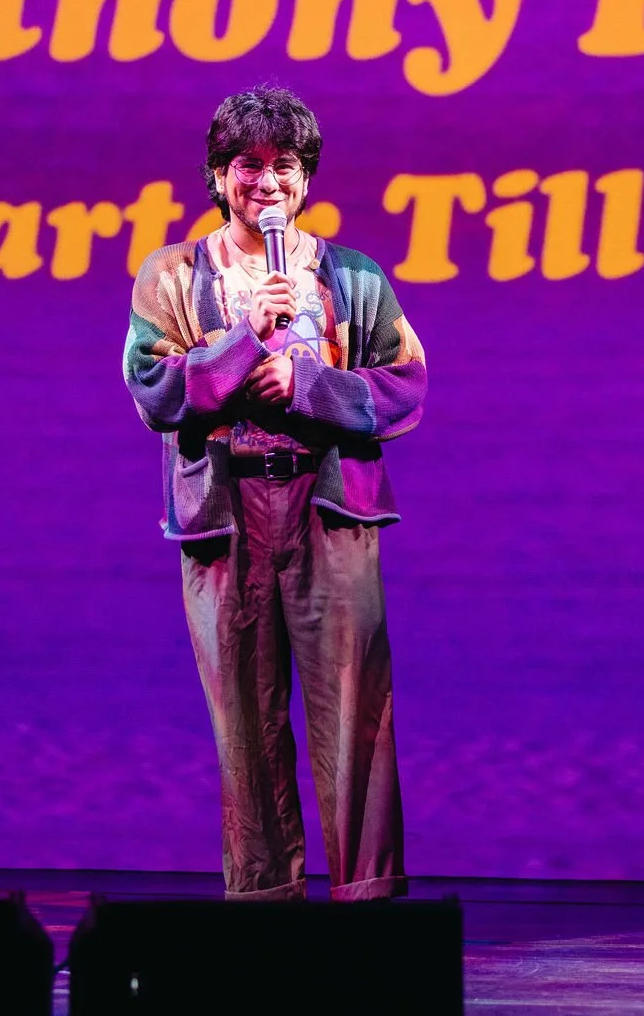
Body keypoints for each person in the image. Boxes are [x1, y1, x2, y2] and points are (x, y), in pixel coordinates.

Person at [123, 85, 427, 902]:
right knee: (245, 726)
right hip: (226, 522)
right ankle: (264, 905)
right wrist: (242, 336)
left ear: (306, 179)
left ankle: (367, 905)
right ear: (218, 176)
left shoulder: (352, 277)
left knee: (355, 713)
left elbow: (404, 387)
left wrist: (307, 380)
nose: (267, 182)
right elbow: (155, 391)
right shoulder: (173, 276)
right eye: (247, 165)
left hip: (328, 514)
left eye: (284, 167)